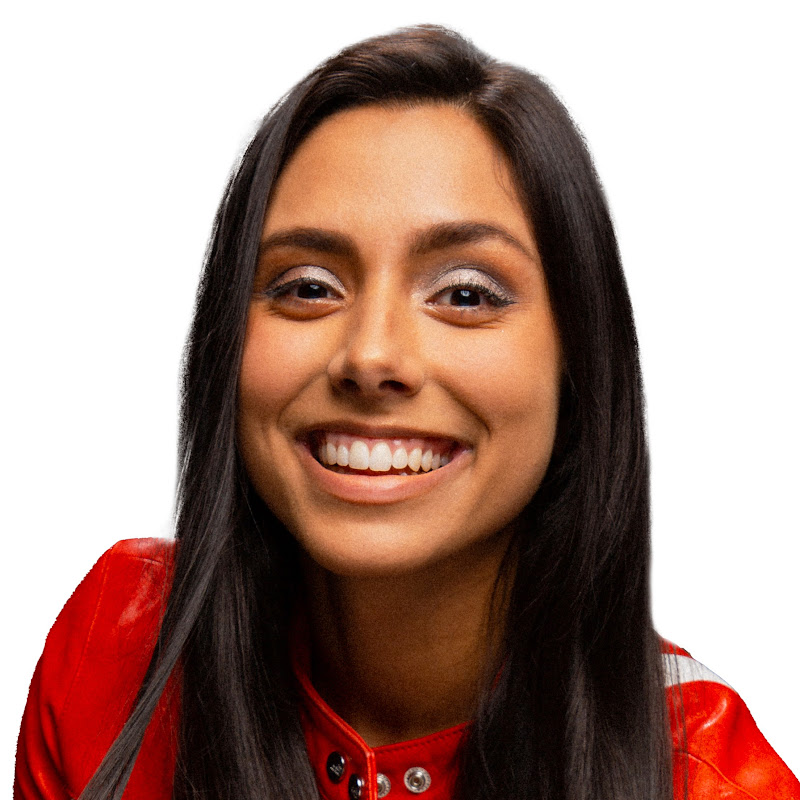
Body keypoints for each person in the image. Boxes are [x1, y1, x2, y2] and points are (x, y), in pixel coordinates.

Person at [14, 25, 798, 800]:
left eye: (466, 295)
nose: (370, 355)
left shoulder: (711, 783)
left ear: (579, 361)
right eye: (308, 287)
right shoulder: (116, 647)